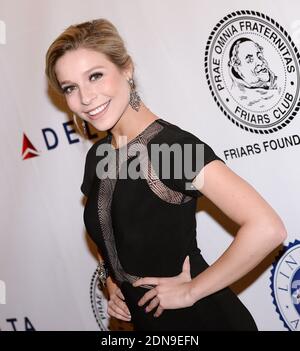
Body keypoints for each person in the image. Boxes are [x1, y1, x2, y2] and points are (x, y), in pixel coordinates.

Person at [45, 19, 287, 331]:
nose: (86, 98)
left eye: (95, 76)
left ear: (127, 69)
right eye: (71, 88)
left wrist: (191, 290)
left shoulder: (171, 148)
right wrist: (111, 281)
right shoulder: (97, 156)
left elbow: (267, 228)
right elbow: (107, 231)